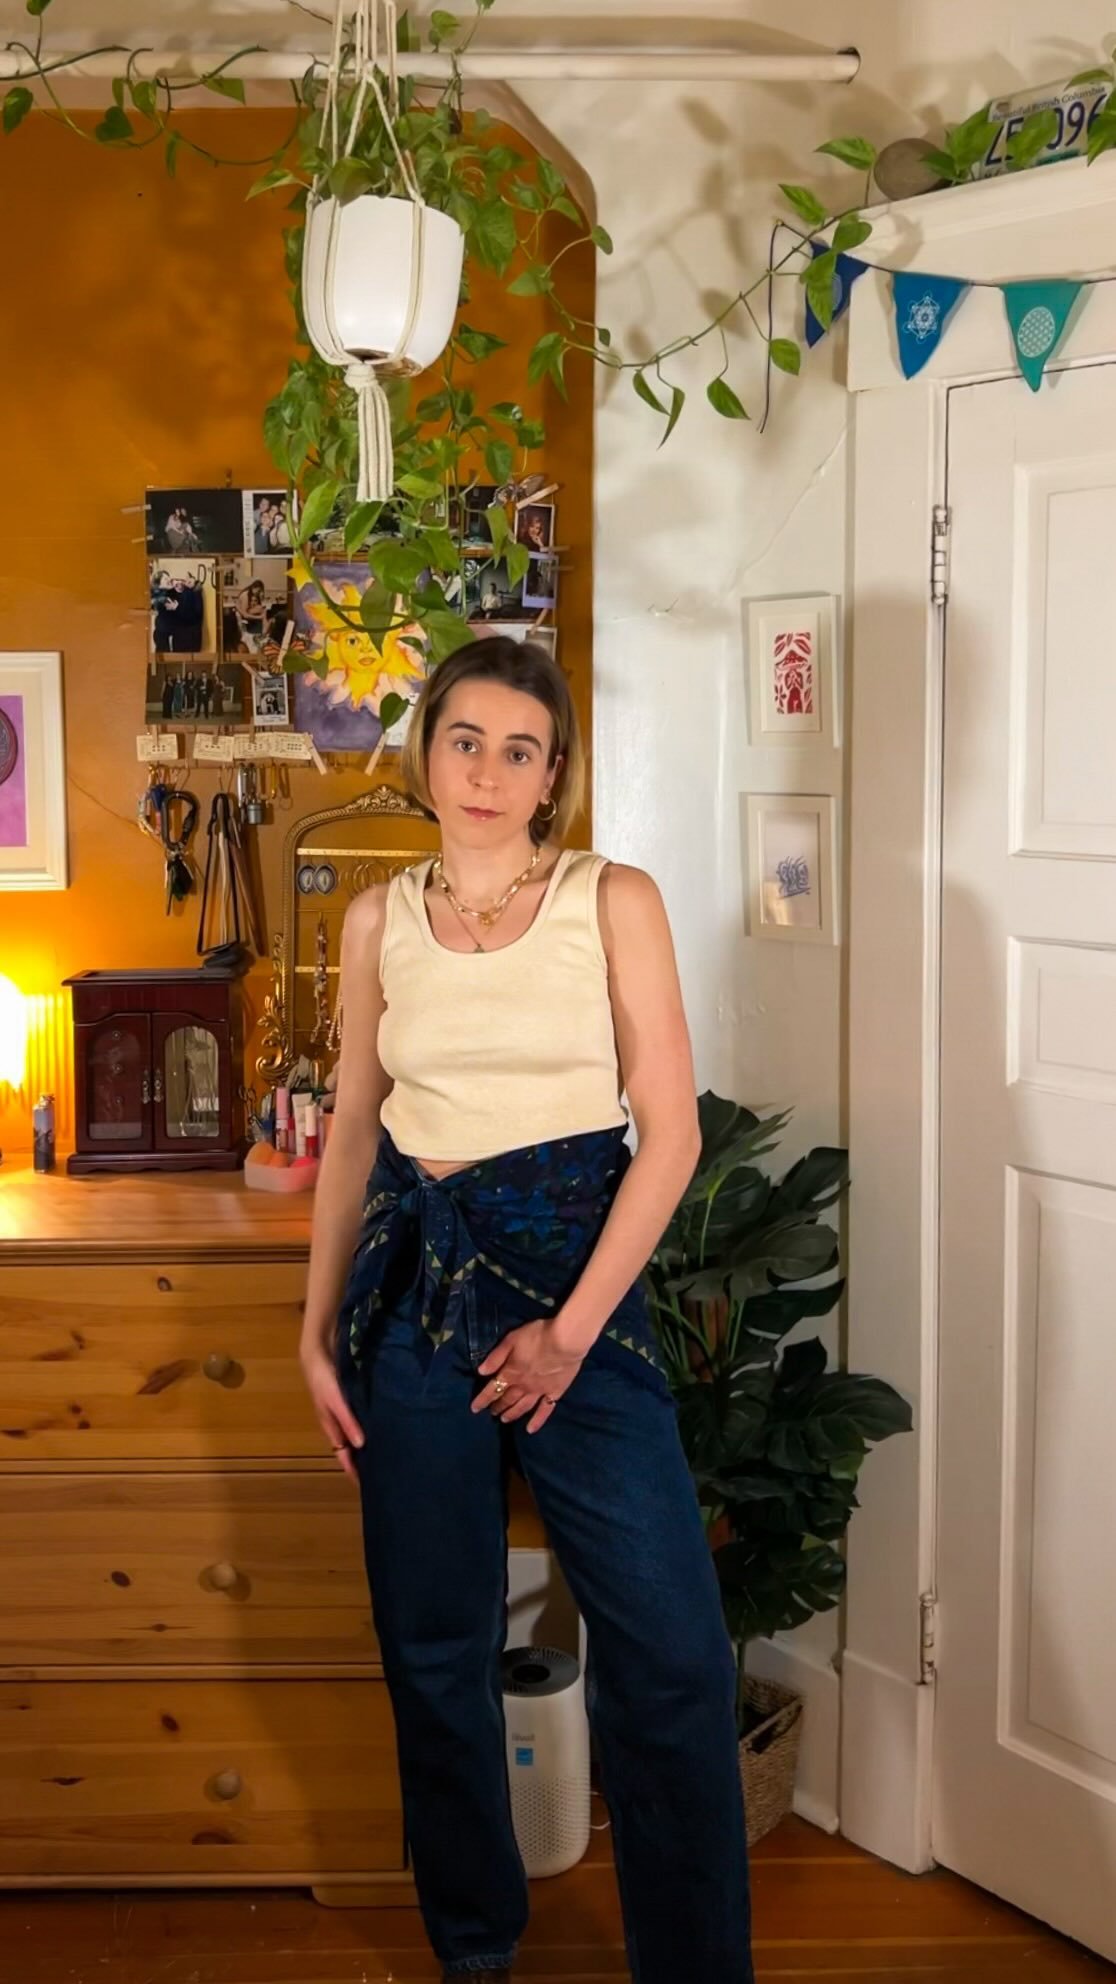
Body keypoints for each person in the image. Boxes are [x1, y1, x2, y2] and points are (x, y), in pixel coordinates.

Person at [298, 635, 755, 1984]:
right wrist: (316, 1331)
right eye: (466, 741)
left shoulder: (610, 899)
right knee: (434, 1649)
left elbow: (669, 1134)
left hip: (578, 1289)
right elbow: (353, 1132)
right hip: (415, 1298)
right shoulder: (377, 921)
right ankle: (475, 1949)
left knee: (671, 1656)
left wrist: (568, 1335)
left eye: (520, 750)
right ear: (426, 751)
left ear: (552, 775)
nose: (488, 773)